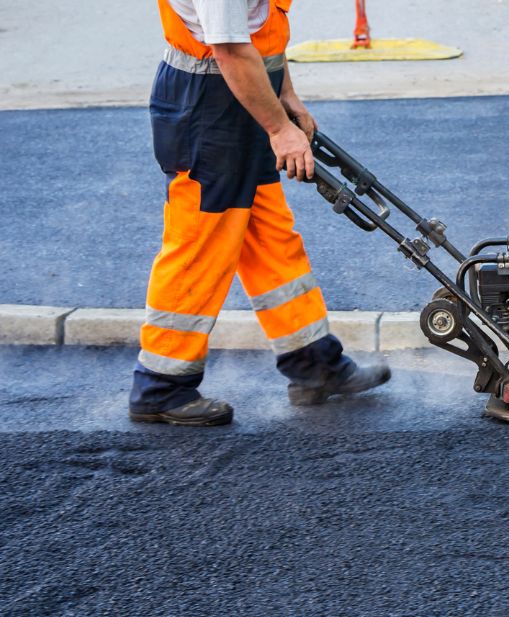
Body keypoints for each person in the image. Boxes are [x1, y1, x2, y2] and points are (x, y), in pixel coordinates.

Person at [129, 0, 389, 426]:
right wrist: (279, 129)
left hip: (243, 95)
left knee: (271, 238)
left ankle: (313, 363)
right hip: (207, 109)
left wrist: (286, 96)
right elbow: (229, 48)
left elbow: (259, 34)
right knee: (200, 245)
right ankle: (160, 384)